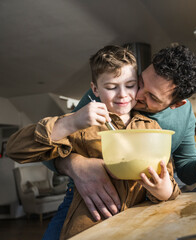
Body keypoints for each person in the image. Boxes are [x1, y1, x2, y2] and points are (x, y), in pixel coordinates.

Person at [43, 44, 196, 239]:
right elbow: (46, 146)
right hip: (89, 197)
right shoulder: (105, 96)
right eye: (140, 82)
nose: (134, 95)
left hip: (148, 201)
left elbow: (186, 171)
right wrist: (75, 165)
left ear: (176, 104)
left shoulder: (184, 113)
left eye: (152, 97)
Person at [6, 45, 181, 239]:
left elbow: (169, 181)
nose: (123, 94)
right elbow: (15, 150)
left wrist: (165, 191)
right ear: (95, 89)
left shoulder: (153, 129)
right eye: (112, 87)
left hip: (139, 228)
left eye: (130, 85)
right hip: (90, 228)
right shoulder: (80, 126)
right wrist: (71, 122)